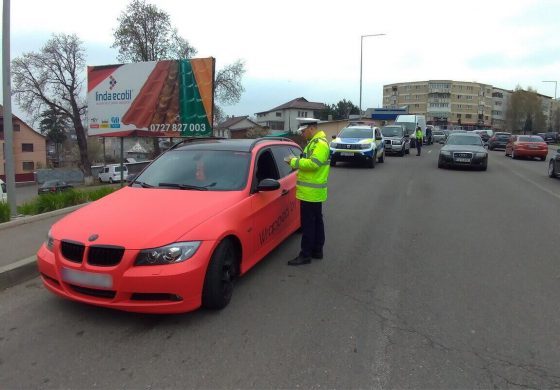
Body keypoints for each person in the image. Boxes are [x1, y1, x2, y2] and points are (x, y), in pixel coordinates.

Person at [284, 118, 331, 266]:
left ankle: (305, 255)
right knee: (316, 221)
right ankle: (317, 250)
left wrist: (293, 162)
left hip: (311, 191)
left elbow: (313, 164)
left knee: (308, 224)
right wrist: (298, 159)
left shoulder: (320, 144)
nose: (303, 134)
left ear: (311, 128)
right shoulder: (314, 143)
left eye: (304, 131)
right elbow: (308, 159)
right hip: (312, 191)